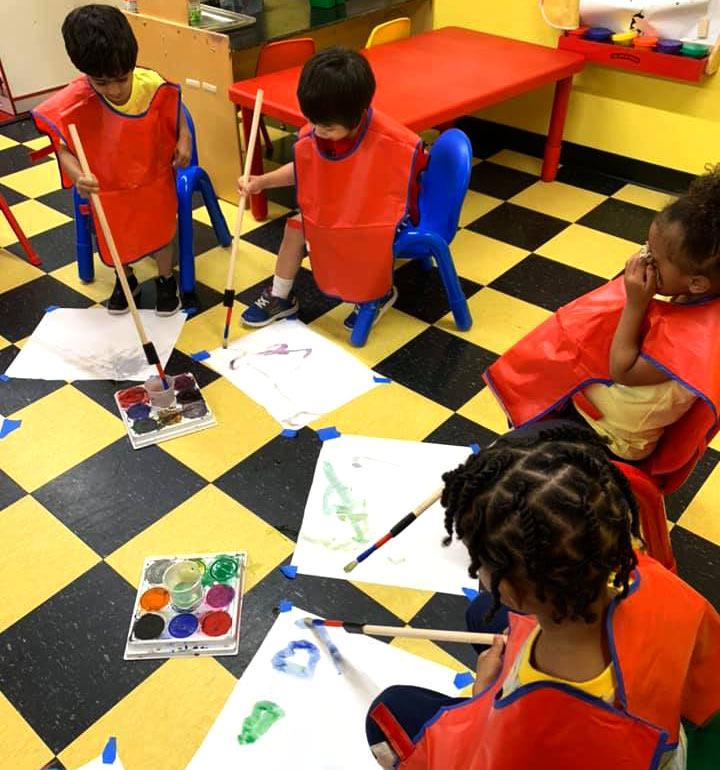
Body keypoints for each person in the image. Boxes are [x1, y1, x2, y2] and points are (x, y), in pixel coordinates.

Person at [366, 423, 720, 769]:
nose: (480, 575)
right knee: (479, 614)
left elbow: (495, 752)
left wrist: (484, 694)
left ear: (516, 594)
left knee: (390, 708)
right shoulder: (654, 578)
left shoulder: (536, 730)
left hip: (580, 732)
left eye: (482, 564)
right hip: (661, 731)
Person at [484, 166, 720, 493]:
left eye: (656, 257)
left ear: (696, 282)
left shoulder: (700, 343)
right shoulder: (690, 293)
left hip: (612, 440)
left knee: (512, 464)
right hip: (594, 410)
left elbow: (622, 370)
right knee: (521, 422)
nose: (644, 259)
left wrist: (637, 302)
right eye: (646, 246)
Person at [238, 47, 427, 329]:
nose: (316, 131)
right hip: (338, 208)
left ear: (357, 114)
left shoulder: (392, 143)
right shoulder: (320, 130)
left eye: (325, 127)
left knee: (361, 238)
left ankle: (379, 292)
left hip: (378, 217)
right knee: (295, 227)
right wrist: (260, 182)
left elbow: (404, 192)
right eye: (312, 122)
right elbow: (304, 167)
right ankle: (280, 295)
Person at [33, 4, 192, 316]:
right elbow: (63, 147)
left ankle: (164, 278)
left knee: (161, 229)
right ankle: (126, 278)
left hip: (153, 176)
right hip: (108, 185)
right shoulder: (75, 101)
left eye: (121, 78)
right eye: (102, 83)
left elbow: (177, 114)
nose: (115, 90)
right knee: (114, 234)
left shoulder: (151, 84)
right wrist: (79, 176)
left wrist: (184, 139)